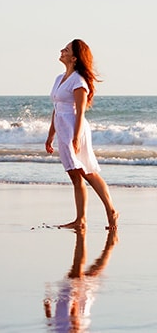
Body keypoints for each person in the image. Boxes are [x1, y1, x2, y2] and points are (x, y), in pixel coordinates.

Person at [45, 39, 118, 231]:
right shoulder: (59, 78)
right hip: (62, 128)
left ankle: (111, 211)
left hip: (74, 128)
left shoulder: (78, 81)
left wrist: (76, 137)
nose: (62, 50)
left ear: (74, 58)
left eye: (66, 49)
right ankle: (81, 219)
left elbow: (81, 111)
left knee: (87, 171)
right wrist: (50, 135)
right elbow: (56, 108)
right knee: (74, 175)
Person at [44, 228, 117, 332]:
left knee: (88, 273)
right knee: (88, 273)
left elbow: (50, 323)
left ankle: (109, 245)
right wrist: (76, 298)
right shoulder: (71, 329)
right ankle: (109, 245)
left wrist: (47, 305)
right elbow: (74, 320)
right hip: (74, 302)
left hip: (69, 299)